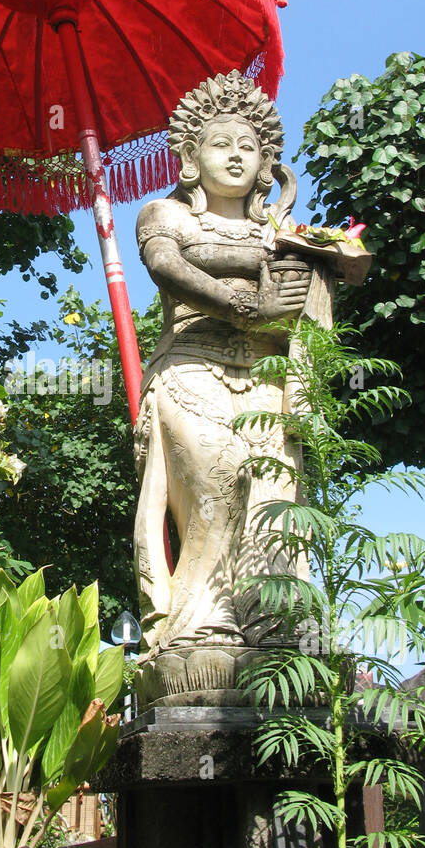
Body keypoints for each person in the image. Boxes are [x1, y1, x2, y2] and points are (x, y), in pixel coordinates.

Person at [133, 70, 334, 707]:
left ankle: (273, 625)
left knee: (274, 493)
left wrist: (308, 269)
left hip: (271, 374)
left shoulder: (286, 235)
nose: (237, 154)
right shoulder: (163, 214)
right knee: (220, 475)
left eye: (249, 146)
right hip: (194, 364)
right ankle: (198, 624)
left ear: (268, 164)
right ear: (191, 159)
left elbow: (315, 283)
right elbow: (168, 266)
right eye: (221, 143)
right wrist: (246, 297)